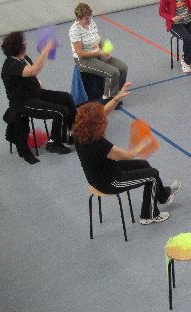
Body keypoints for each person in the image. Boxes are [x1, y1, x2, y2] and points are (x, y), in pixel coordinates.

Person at [73, 83, 181, 225]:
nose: (106, 121)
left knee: (144, 164)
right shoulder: (99, 144)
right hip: (110, 182)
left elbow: (102, 112)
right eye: (103, 121)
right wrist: (144, 142)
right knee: (152, 175)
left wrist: (117, 98)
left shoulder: (79, 132)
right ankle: (148, 215)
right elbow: (128, 155)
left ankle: (164, 196)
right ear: (97, 125)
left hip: (105, 172)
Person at [1, 31, 76, 163]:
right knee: (61, 111)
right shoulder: (12, 65)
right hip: (24, 103)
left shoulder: (23, 58)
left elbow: (32, 75)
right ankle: (54, 143)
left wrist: (39, 84)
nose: (26, 43)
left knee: (67, 98)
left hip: (35, 93)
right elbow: (33, 70)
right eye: (23, 42)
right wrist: (47, 49)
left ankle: (74, 133)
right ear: (19, 47)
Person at [69, 3, 129, 105]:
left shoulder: (91, 23)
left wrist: (105, 49)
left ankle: (117, 93)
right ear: (79, 19)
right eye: (86, 19)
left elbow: (98, 39)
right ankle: (109, 99)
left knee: (123, 68)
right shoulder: (74, 30)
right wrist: (98, 53)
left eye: (90, 17)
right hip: (84, 60)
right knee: (113, 72)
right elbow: (80, 53)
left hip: (97, 53)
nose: (89, 20)